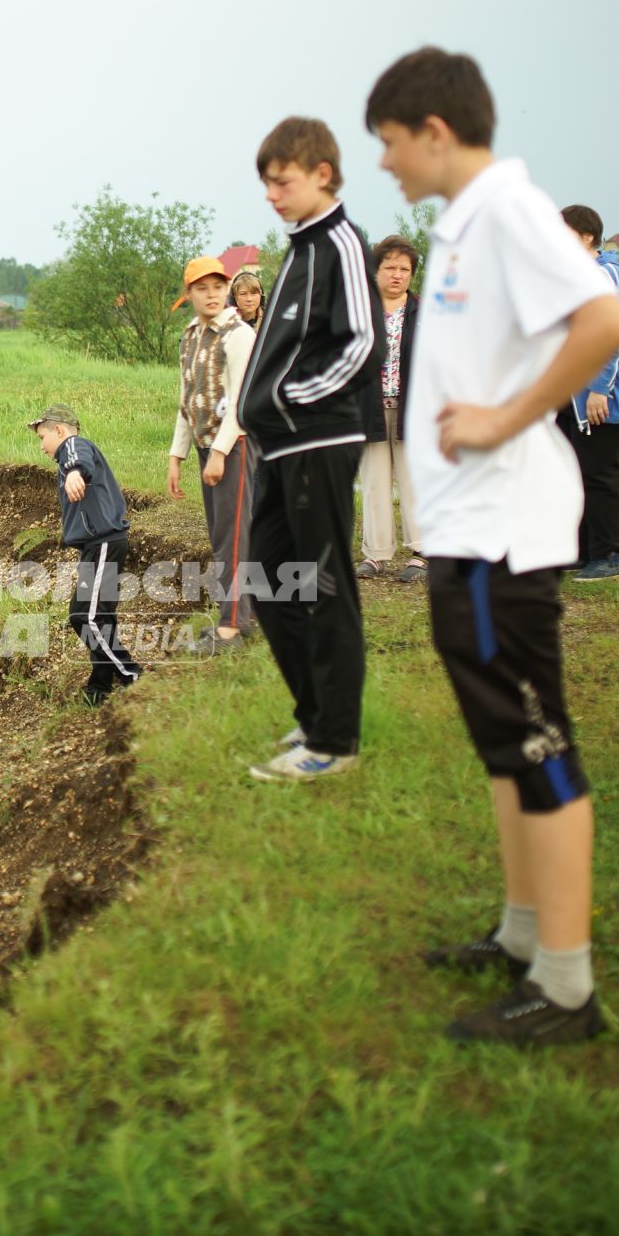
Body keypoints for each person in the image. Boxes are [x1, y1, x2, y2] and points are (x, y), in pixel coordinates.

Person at [368, 46, 619, 1045]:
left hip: (505, 539)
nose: (388, 165)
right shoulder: (467, 225)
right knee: (502, 740)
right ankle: (525, 931)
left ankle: (565, 985)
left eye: (391, 145)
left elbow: (604, 319)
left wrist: (506, 417)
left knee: (538, 741)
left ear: (434, 132)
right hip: (468, 536)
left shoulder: (513, 212)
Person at [236, 116, 381, 782]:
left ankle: (334, 740)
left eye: (282, 180)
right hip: (278, 451)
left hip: (319, 441)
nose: (272, 193)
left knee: (323, 585)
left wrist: (292, 401)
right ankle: (313, 713)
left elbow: (361, 344)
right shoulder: (296, 249)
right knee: (266, 578)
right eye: (266, 182)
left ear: (323, 174)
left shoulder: (342, 244)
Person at [167, 256, 257, 655]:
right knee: (222, 534)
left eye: (218, 287)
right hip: (207, 447)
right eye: (202, 288)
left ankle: (231, 630)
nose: (211, 295)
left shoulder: (238, 335)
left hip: (234, 446)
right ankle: (240, 617)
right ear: (189, 294)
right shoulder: (190, 335)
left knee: (231, 537)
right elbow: (187, 399)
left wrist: (220, 452)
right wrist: (177, 454)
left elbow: (241, 401)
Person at [557, 205, 619, 582]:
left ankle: (610, 555)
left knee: (599, 474)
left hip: (604, 398)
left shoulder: (606, 275)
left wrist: (598, 390)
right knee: (575, 472)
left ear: (587, 236)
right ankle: (583, 551)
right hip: (574, 396)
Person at [28, 403, 141, 705]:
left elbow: (79, 458)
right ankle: (100, 685)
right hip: (98, 545)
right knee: (99, 616)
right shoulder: (66, 458)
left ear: (60, 430)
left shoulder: (73, 447)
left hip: (104, 542)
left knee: (84, 616)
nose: (41, 446)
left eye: (42, 437)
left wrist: (75, 472)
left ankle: (131, 674)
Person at [357, 234, 427, 582]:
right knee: (374, 481)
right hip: (369, 407)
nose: (396, 275)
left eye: (404, 269)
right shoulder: (359, 313)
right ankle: (377, 553)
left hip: (412, 408)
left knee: (413, 479)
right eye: (389, 268)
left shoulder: (424, 312)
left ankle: (421, 551)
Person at [230, 266, 265, 332]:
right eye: (243, 294)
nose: (249, 299)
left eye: (254, 293)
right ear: (235, 296)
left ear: (261, 295)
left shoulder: (269, 322)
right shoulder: (226, 326)